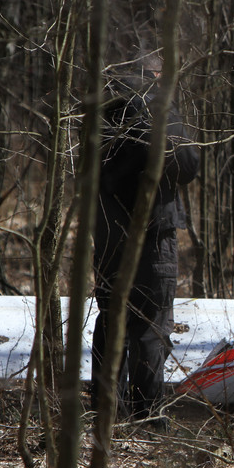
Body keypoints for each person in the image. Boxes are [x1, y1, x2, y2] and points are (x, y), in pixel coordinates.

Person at [92, 60, 199, 424]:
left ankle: (104, 406)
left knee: (111, 319)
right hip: (153, 236)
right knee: (151, 324)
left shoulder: (100, 111)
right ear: (151, 77)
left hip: (107, 235)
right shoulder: (158, 110)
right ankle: (147, 414)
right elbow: (188, 163)